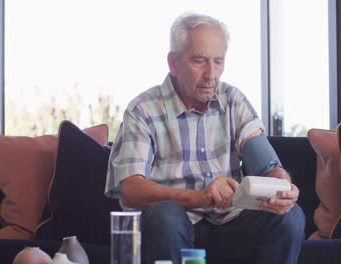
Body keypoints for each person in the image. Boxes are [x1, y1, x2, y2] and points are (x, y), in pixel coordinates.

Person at [105, 12, 305, 264]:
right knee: (165, 215)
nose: (211, 74)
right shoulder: (143, 109)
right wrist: (198, 197)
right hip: (173, 226)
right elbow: (131, 189)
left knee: (290, 216)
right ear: (173, 63)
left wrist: (282, 185)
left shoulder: (233, 100)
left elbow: (267, 165)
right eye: (199, 61)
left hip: (231, 223)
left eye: (218, 61)